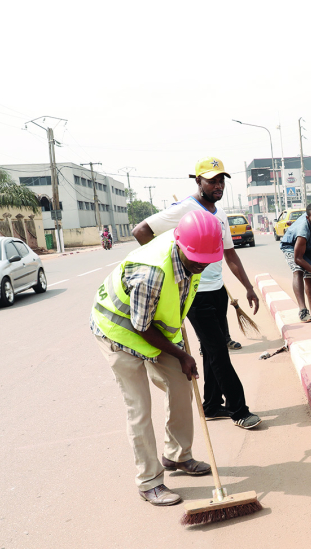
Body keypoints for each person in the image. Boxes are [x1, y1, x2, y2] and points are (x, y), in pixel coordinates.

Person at [91, 210, 221, 506]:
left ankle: (177, 455)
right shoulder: (152, 272)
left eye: (207, 259)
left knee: (180, 383)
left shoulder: (194, 259)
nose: (202, 264)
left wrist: (179, 354)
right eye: (197, 259)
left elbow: (172, 305)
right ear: (181, 246)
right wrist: (181, 354)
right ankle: (149, 481)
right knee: (139, 407)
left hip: (151, 327)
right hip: (118, 331)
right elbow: (141, 327)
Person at [131, 156, 262, 430]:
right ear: (198, 181)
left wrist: (248, 287)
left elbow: (230, 255)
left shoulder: (221, 214)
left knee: (210, 350)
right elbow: (141, 231)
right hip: (195, 295)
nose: (218, 185)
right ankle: (239, 410)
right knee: (219, 351)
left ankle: (212, 405)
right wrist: (169, 264)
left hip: (217, 292)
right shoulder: (184, 209)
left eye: (221, 180)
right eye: (212, 180)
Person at [280, 203, 311, 323]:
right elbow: (298, 259)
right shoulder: (303, 230)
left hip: (309, 248)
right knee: (298, 271)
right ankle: (303, 310)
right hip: (292, 247)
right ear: (308, 218)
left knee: (310, 277)